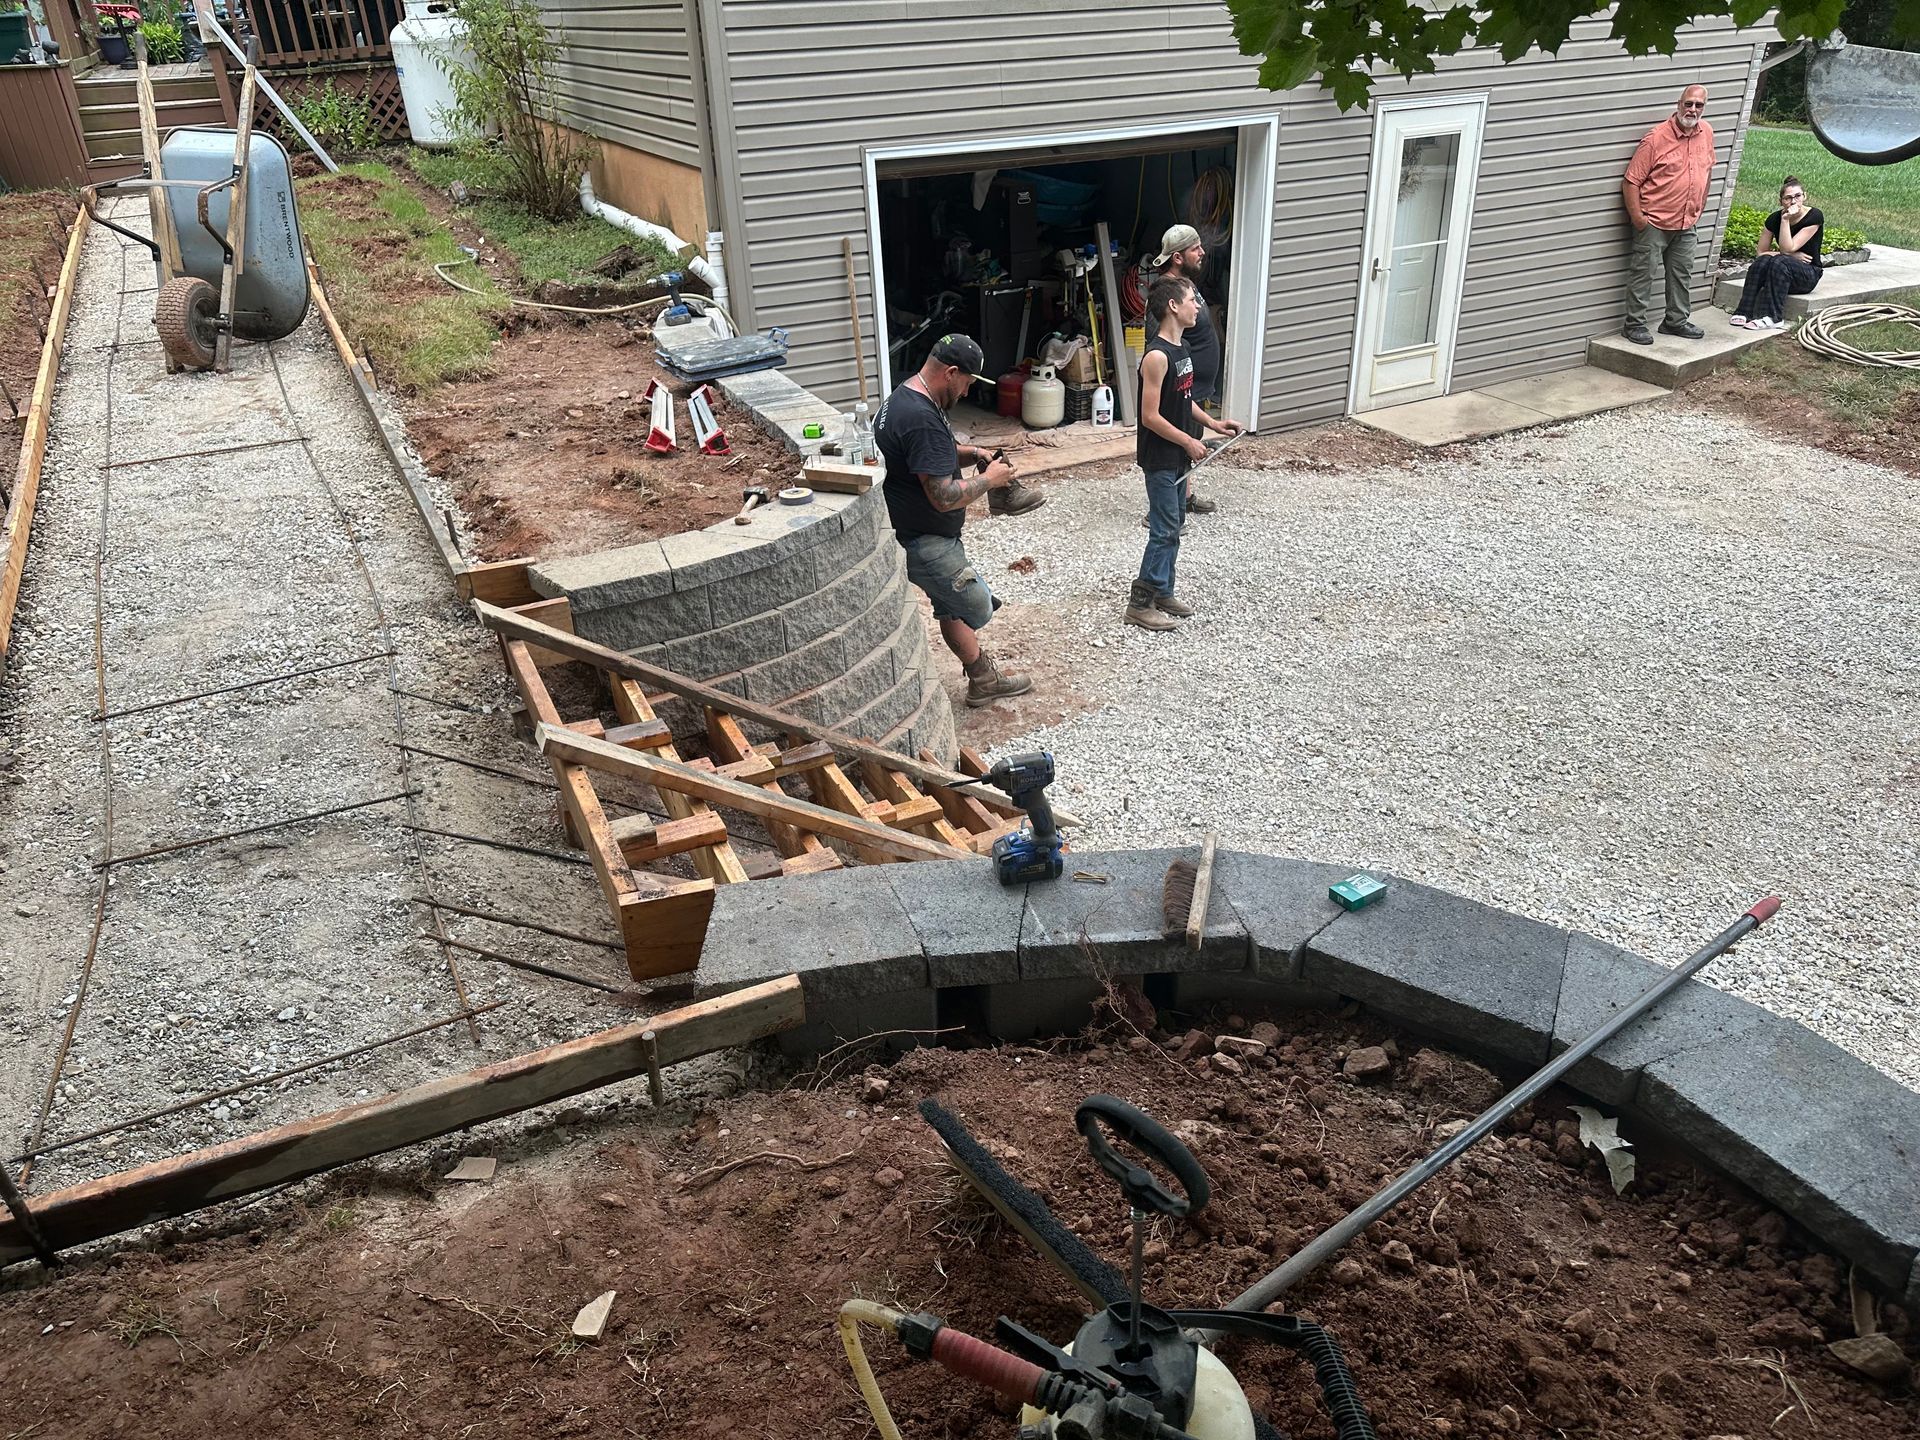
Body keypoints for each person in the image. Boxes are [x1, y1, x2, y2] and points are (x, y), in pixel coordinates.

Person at [874, 334, 1034, 707]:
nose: (966, 391)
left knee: (948, 604)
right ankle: (1002, 497)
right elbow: (943, 497)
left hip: (913, 529)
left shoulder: (906, 396)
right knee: (975, 606)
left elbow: (927, 456)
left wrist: (974, 452)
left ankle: (982, 679)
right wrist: (990, 480)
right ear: (950, 372)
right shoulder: (920, 418)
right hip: (923, 539)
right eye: (968, 382)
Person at [1125, 276, 1241, 632]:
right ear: (1173, 306)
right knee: (1162, 529)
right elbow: (1149, 416)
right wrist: (1188, 442)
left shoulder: (1182, 350)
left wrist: (1213, 423)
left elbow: (1184, 400)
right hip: (1161, 457)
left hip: (1178, 456)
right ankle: (1139, 604)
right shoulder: (1157, 356)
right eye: (1192, 300)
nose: (1198, 306)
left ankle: (1163, 591)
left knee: (1175, 525)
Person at [1621, 84, 1716, 346]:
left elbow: (1707, 172)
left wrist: (1700, 207)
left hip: (1687, 222)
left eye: (1699, 105)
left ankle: (1675, 321)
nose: (1693, 109)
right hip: (1654, 222)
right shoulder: (1656, 138)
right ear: (1678, 104)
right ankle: (1634, 325)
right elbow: (1631, 182)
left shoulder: (1706, 132)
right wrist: (1639, 219)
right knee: (1644, 274)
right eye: (1689, 103)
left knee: (1681, 274)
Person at [1148, 223, 1223, 513]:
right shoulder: (1164, 293)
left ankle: (1184, 498)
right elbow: (1157, 343)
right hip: (1178, 386)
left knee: (1190, 441)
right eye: (1195, 248)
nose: (1202, 252)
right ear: (1177, 257)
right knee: (1176, 448)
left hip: (1193, 383)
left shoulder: (1186, 286)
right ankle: (1164, 509)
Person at [1730, 177, 1824, 329]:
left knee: (1779, 262)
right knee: (1763, 262)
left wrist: (1785, 220)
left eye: (1798, 196)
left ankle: (1774, 317)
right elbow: (1761, 252)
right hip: (1780, 272)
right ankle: (1744, 311)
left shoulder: (1814, 216)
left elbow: (1787, 248)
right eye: (1788, 198)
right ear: (1780, 201)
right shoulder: (1773, 219)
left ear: (1805, 196)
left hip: (1808, 274)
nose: (1793, 202)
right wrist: (1790, 256)